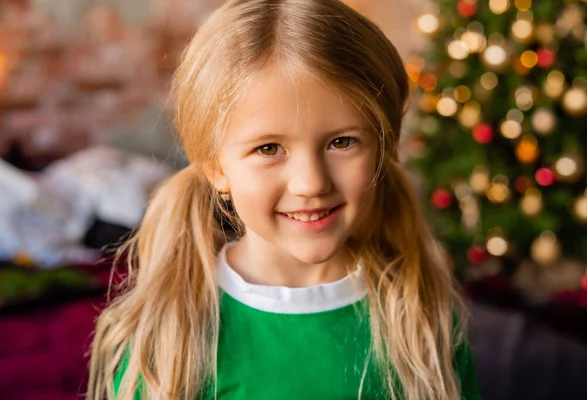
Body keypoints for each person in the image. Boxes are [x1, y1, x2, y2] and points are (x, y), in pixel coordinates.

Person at [87, 0, 481, 399]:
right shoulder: (169, 340)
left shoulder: (422, 320)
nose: (310, 183)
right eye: (269, 148)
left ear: (383, 147)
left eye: (342, 142)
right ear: (215, 166)